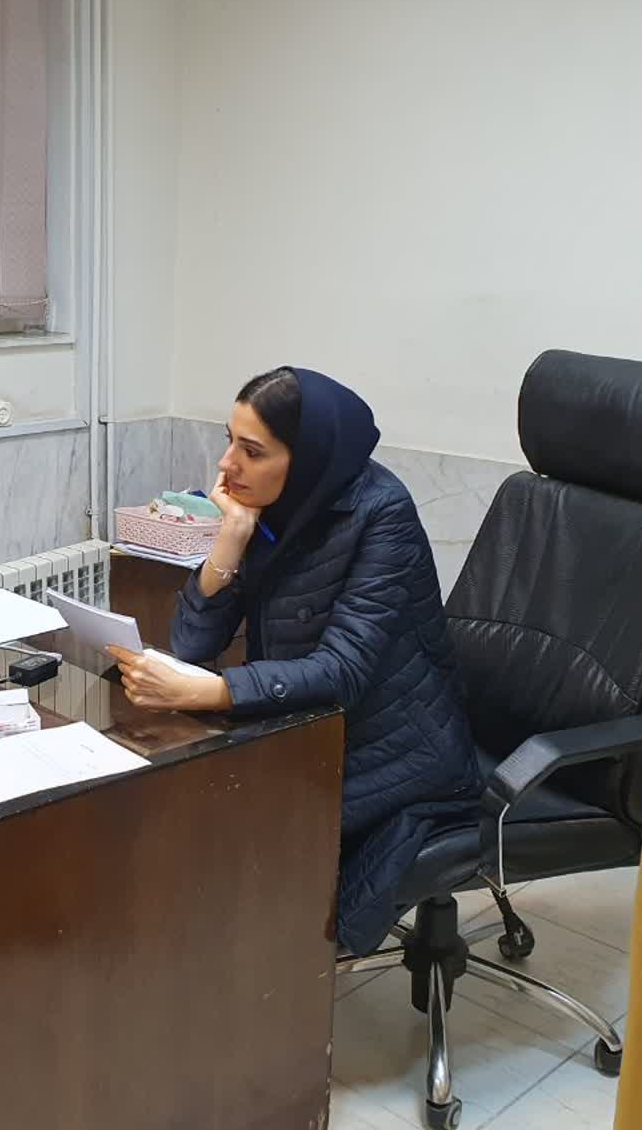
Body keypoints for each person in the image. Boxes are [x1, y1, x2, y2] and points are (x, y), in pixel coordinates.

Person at [107, 366, 483, 954]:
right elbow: (191, 645)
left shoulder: (382, 514)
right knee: (176, 808)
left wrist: (208, 691)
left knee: (223, 835)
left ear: (305, 458)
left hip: (394, 752)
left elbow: (342, 671)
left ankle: (261, 983)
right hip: (304, 725)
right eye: (229, 441)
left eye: (251, 451)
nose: (227, 464)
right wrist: (229, 540)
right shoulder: (273, 507)